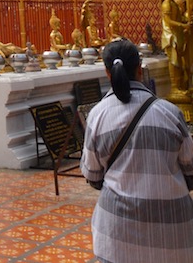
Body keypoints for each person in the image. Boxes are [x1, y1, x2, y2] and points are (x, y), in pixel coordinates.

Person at [80, 39, 193, 263]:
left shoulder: (97, 115)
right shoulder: (170, 113)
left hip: (117, 235)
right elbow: (191, 171)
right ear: (140, 69)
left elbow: (92, 175)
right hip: (174, 235)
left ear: (107, 72)